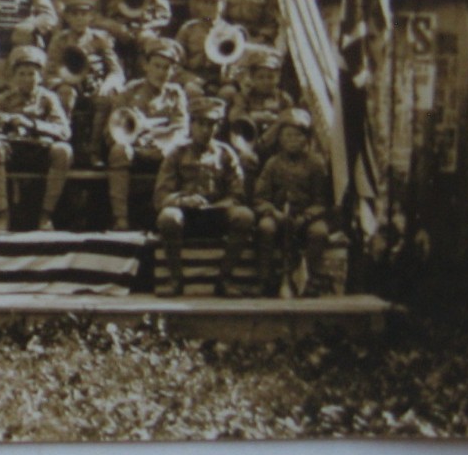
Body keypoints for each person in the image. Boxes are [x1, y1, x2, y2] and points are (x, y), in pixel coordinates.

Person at [154, 97, 254, 296]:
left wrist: (220, 205)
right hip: (186, 216)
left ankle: (224, 279)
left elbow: (237, 193)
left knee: (244, 216)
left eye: (211, 125)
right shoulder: (176, 153)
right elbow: (161, 196)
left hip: (215, 215)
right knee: (168, 217)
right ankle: (176, 280)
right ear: (191, 124)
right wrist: (185, 201)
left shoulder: (226, 154)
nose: (206, 130)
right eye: (201, 123)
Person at [0, 45, 73, 233]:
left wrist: (31, 124)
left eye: (32, 74)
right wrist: (2, 123)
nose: (27, 79)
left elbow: (64, 131)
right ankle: (2, 215)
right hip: (13, 152)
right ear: (14, 76)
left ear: (40, 76)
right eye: (22, 74)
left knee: (63, 150)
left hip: (40, 152)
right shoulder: (4, 99)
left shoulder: (48, 99)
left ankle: (46, 215)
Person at [105, 38, 190, 230]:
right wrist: (135, 138)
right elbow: (113, 127)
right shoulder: (131, 90)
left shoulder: (175, 94)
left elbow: (181, 127)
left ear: (172, 71)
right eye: (157, 66)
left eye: (166, 68)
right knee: (119, 151)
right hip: (136, 147)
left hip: (164, 149)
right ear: (146, 66)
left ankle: (166, 216)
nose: (161, 72)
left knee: (178, 154)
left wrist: (163, 141)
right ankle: (121, 218)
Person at [253, 109, 335, 296]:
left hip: (306, 217)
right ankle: (264, 279)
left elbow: (321, 201)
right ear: (280, 139)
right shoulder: (272, 164)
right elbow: (260, 198)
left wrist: (306, 217)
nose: (292, 140)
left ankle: (310, 279)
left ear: (306, 139)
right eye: (288, 135)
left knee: (319, 232)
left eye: (298, 135)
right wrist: (274, 213)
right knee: (265, 227)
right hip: (278, 215)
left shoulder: (315, 164)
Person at [43, 0, 125, 163]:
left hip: (95, 87)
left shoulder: (100, 39)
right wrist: (63, 82)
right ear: (67, 17)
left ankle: (94, 149)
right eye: (75, 14)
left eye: (84, 14)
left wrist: (108, 84)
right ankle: (64, 143)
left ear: (90, 17)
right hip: (70, 87)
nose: (80, 19)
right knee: (66, 94)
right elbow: (48, 73)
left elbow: (115, 70)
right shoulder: (60, 40)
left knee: (106, 98)